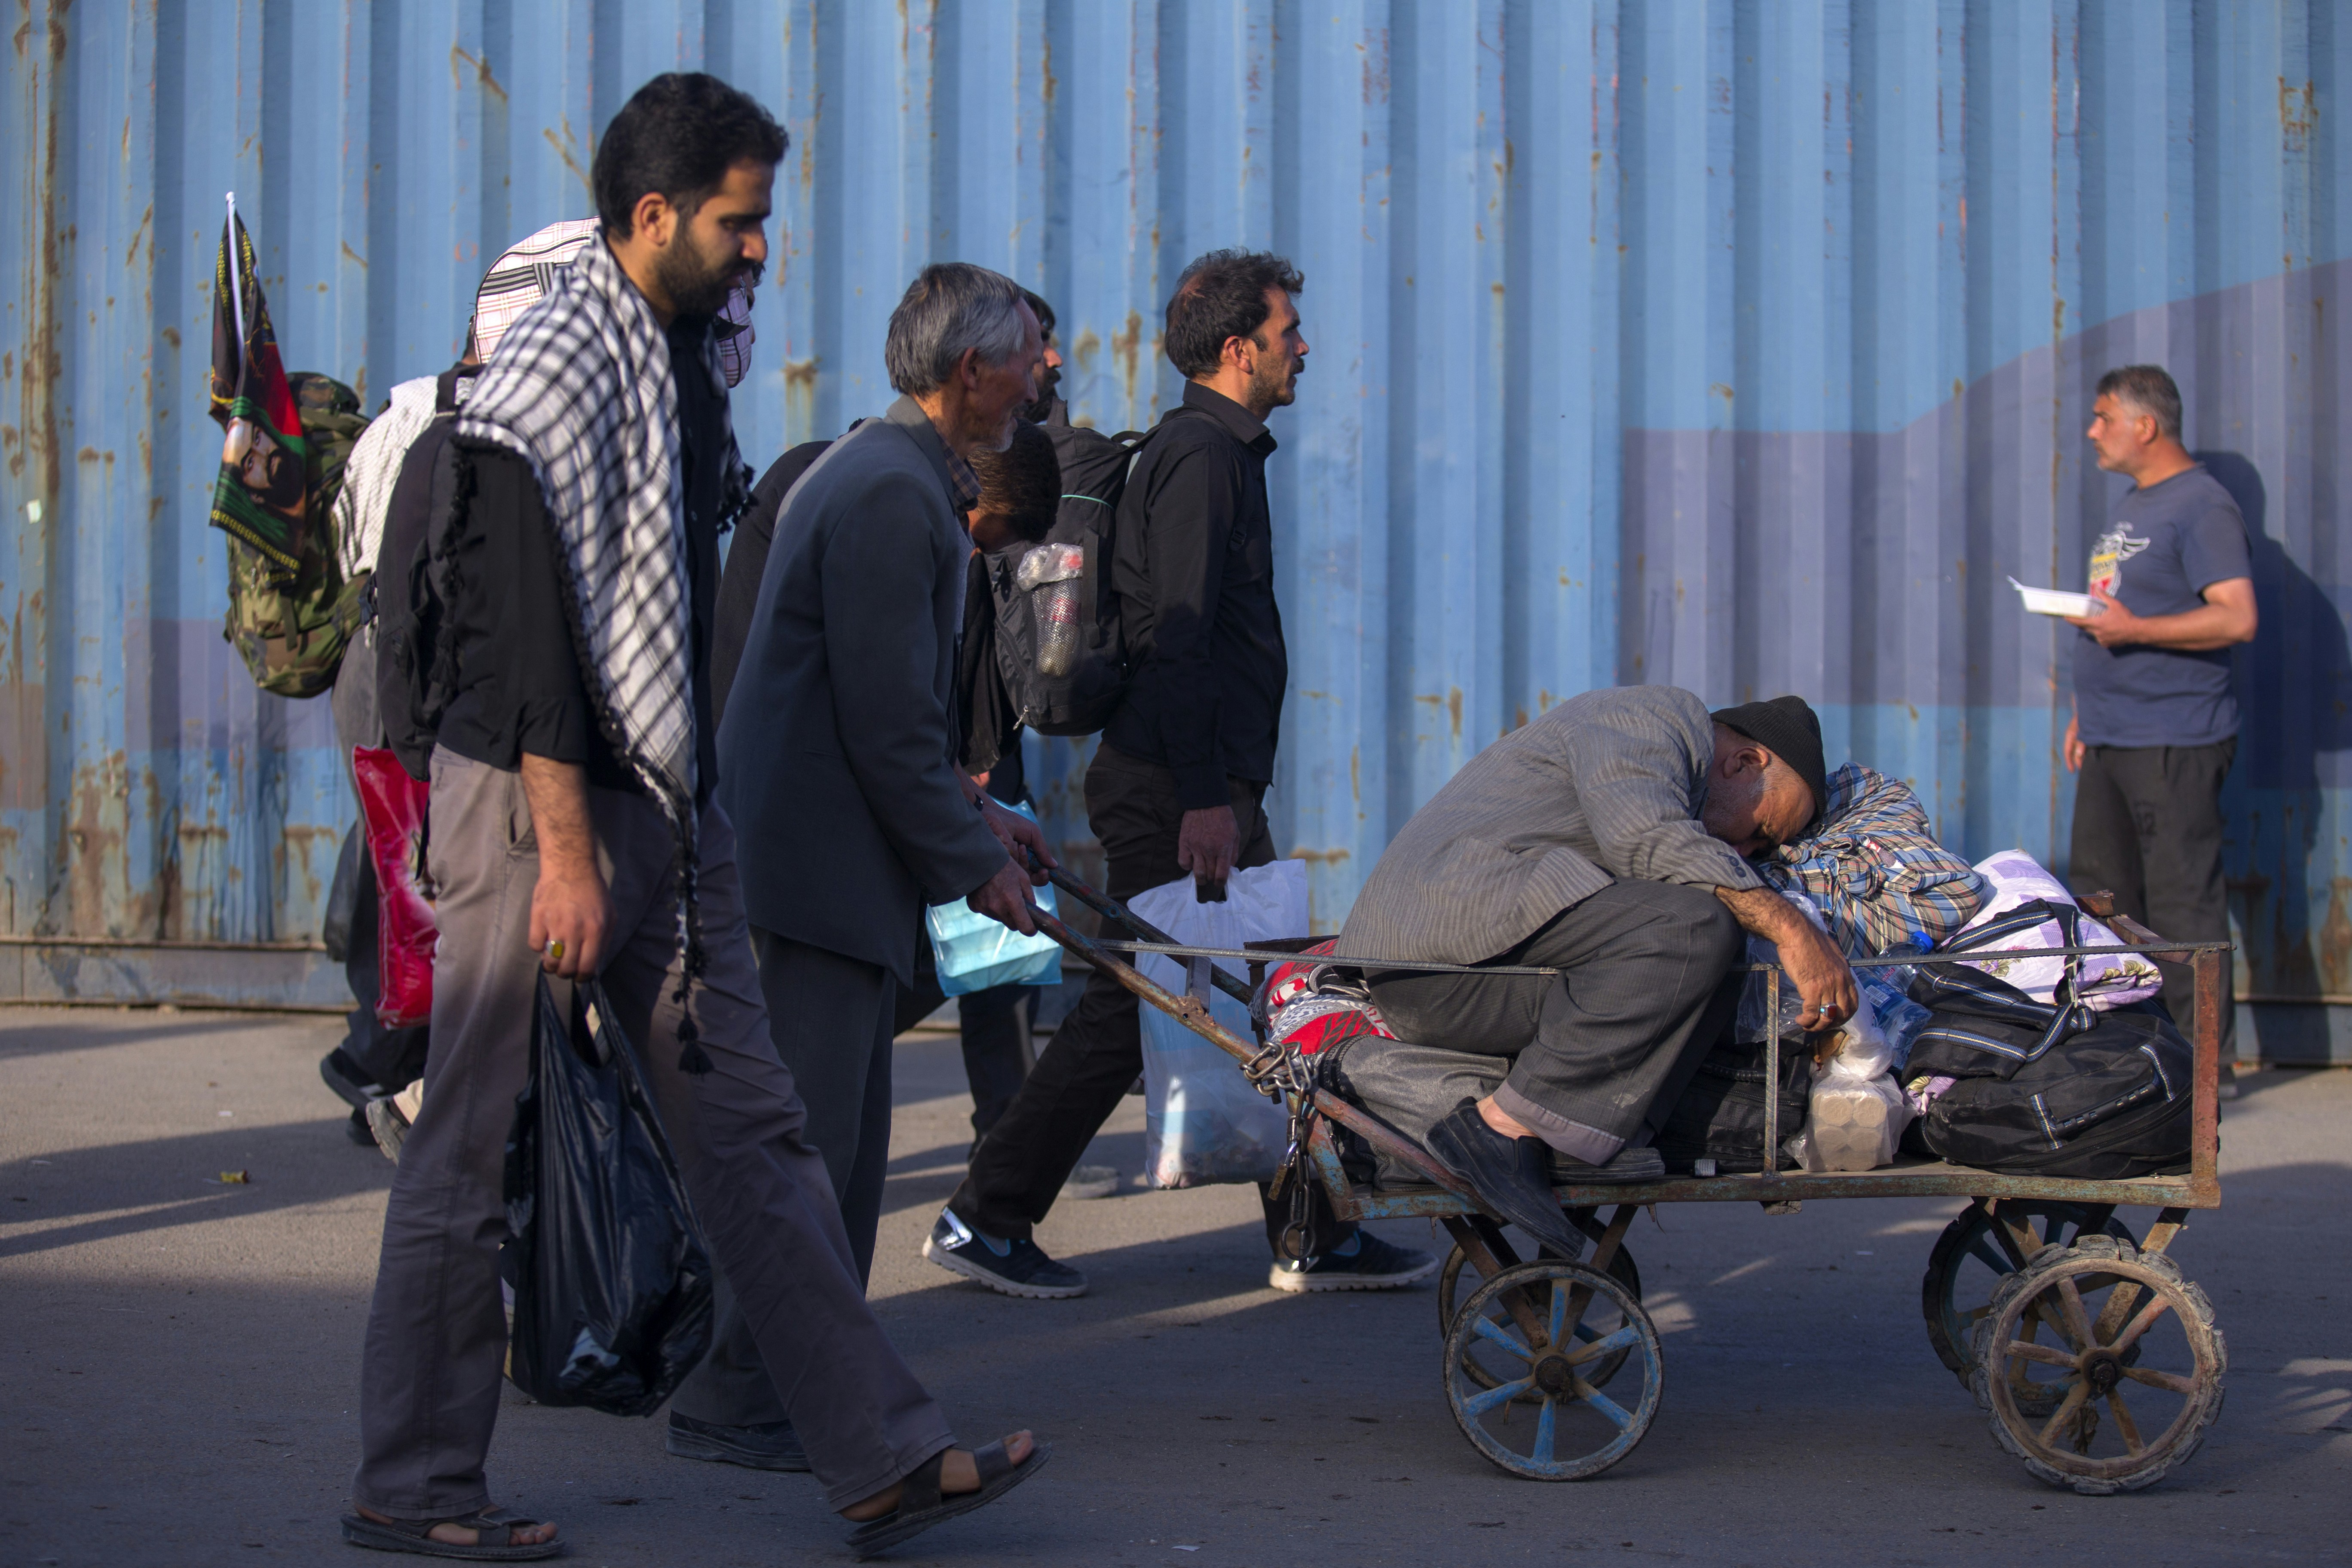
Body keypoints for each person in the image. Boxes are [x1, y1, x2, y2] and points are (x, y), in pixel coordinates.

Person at [343, 74, 1044, 1561]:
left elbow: (664, 606)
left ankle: (883, 1453)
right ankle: (415, 1481)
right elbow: (521, 628)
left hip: (660, 804)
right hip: (540, 813)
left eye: (764, 220)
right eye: (740, 221)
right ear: (652, 214)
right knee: (469, 1150)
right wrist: (572, 853)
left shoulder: (674, 358)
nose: (759, 251)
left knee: (759, 1135)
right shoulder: (552, 372)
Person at [933, 250, 1436, 1298]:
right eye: (1288, 328)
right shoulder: (1200, 457)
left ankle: (1315, 1229)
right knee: (1138, 1005)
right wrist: (1207, 794)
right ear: (1236, 347)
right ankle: (986, 1215)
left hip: (1189, 780)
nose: (1305, 345)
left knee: (1264, 1000)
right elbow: (1180, 633)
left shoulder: (1218, 453)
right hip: (1173, 786)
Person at [672, 261, 1055, 1471]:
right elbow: (887, 725)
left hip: (824, 869)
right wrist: (971, 863)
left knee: (835, 1159)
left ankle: (789, 1390)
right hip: (812, 876)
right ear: (971, 371)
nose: (1047, 372)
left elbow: (878, 713)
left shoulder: (887, 472)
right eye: (1034, 352)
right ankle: (744, 1399)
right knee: (808, 1160)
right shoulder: (892, 493)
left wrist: (971, 819)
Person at [1334, 686, 1855, 1259]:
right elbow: (1647, 839)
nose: (1751, 851)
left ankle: (1587, 1139)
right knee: (1692, 924)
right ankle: (1500, 1129)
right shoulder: (1650, 718)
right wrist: (1795, 929)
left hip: (1489, 960)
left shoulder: (1686, 772)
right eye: (1766, 831)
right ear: (1746, 762)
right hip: (1437, 968)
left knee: (1713, 945)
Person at [2063, 364, 2257, 1066]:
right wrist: (2085, 709)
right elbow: (2111, 613)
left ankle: (2202, 1073)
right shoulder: (2132, 505)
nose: (2091, 431)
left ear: (2143, 426)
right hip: (2112, 734)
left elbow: (2236, 616)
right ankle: (2128, 1061)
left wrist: (2137, 631)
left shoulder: (2201, 505)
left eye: (2101, 417)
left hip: (2172, 740)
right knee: (2105, 906)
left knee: (2181, 913)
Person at [1732, 697, 1989, 959]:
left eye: (1763, 840)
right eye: (1758, 830)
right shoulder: (1691, 798)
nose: (1742, 852)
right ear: (1742, 763)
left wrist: (1780, 873)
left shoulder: (1860, 795)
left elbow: (1953, 892)